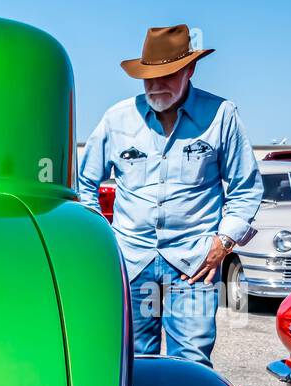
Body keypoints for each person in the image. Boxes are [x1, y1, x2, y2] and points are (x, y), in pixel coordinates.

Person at [78, 24, 263, 366]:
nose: (155, 85)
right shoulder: (117, 119)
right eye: (148, 77)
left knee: (191, 364)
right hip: (130, 264)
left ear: (189, 70)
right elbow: (85, 183)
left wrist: (223, 242)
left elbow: (246, 187)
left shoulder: (221, 116)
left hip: (193, 267)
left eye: (166, 76)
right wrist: (102, 240)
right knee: (131, 364)